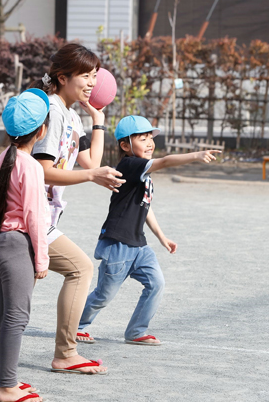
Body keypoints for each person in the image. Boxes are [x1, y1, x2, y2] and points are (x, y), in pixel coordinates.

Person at [0, 43, 122, 378]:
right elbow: (39, 169)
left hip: (41, 218)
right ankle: (66, 353)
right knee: (81, 270)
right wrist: (90, 176)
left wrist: (98, 121)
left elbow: (92, 162)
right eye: (86, 75)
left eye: (95, 75)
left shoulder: (70, 114)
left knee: (15, 294)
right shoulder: (52, 112)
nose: (92, 82)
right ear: (62, 76)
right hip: (30, 218)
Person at [77, 115, 220, 346]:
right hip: (118, 244)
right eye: (143, 139)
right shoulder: (130, 165)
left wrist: (162, 237)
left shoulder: (142, 172)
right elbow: (164, 162)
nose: (150, 143)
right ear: (125, 146)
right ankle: (77, 327)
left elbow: (145, 207)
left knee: (156, 283)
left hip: (138, 244)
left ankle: (136, 331)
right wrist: (196, 155)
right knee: (104, 295)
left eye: (150, 138)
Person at [0, 88, 51, 402]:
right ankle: (9, 388)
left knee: (2, 314)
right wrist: (42, 259)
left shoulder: (5, 156)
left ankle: (1, 380)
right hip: (15, 245)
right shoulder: (32, 166)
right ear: (42, 130)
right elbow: (35, 216)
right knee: (17, 316)